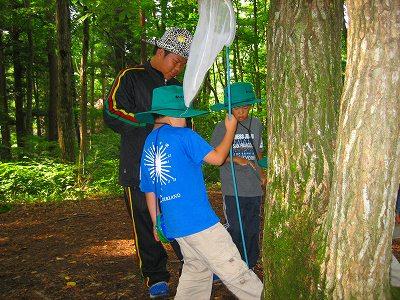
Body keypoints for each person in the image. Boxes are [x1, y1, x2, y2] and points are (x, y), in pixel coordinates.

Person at [136, 85, 263, 300]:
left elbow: (149, 188)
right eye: (185, 116)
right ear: (174, 115)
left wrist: (156, 221)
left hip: (175, 225)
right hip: (200, 223)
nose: (187, 120)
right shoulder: (184, 135)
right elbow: (217, 158)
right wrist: (230, 129)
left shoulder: (149, 142)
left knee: (196, 272)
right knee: (235, 270)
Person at [103, 27, 193, 298]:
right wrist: (151, 121)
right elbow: (111, 112)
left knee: (180, 213)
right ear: (160, 52)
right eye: (175, 61)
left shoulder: (179, 87)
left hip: (172, 166)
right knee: (144, 219)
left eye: (183, 64)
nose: (178, 69)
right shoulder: (131, 77)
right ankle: (155, 276)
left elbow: (188, 123)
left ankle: (194, 262)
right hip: (137, 164)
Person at [210, 82, 266, 270]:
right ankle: (234, 263)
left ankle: (250, 262)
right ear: (228, 108)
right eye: (236, 108)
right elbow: (215, 156)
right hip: (233, 187)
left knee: (252, 226)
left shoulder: (257, 124)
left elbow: (258, 153)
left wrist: (262, 173)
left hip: (253, 187)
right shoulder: (221, 128)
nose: (241, 112)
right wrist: (235, 159)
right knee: (235, 226)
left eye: (245, 107)